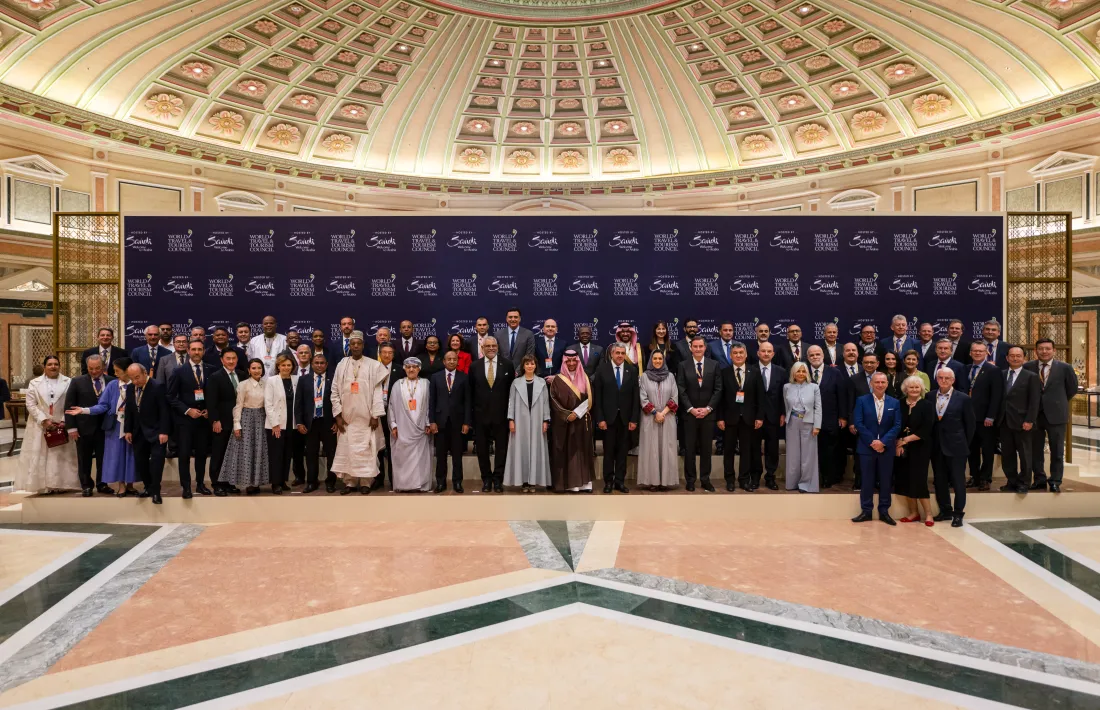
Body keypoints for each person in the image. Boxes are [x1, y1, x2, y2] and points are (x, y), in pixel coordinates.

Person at [331, 331, 389, 494]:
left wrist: (375, 415)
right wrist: (338, 416)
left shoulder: (374, 365)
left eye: (358, 343)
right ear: (349, 346)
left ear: (363, 345)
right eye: (353, 344)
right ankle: (350, 483)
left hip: (367, 419)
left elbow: (377, 392)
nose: (356, 346)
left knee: (366, 451)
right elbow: (334, 391)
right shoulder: (342, 364)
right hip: (347, 419)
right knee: (348, 450)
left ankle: (366, 482)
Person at [75, 358, 137, 497]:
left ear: (127, 371)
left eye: (117, 371)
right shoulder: (113, 385)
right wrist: (85, 410)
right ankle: (121, 486)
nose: (115, 374)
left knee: (131, 455)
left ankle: (131, 485)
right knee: (118, 455)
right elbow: (103, 405)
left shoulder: (136, 384)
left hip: (133, 426)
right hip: (115, 426)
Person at [18, 355, 79, 494]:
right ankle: (43, 486)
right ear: (44, 367)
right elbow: (30, 404)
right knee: (40, 454)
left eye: (56, 364)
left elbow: (72, 402)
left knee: (60, 455)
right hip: (40, 424)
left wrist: (64, 420)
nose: (53, 367)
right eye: (50, 364)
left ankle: (61, 484)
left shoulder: (69, 381)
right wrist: (44, 420)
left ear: (59, 366)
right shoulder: (34, 383)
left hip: (61, 424)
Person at [1026, 338, 1078, 493]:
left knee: (1057, 450)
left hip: (1056, 415)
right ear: (1035, 351)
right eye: (1041, 349)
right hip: (1034, 415)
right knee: (1035, 450)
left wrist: (1057, 402)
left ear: (1054, 350)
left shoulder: (1065, 368)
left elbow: (1072, 389)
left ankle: (1055, 480)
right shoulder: (1028, 367)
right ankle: (1039, 480)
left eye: (1048, 348)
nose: (1044, 351)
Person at [927, 369, 976, 527]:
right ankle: (945, 510)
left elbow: (970, 424)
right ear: (936, 379)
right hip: (936, 446)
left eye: (947, 378)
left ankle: (958, 513)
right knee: (940, 480)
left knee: (958, 481)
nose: (944, 380)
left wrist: (963, 443)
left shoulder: (963, 398)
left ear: (953, 380)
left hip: (957, 446)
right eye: (940, 377)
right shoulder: (929, 396)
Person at [851, 372, 901, 525]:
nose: (880, 385)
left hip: (886, 448)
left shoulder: (894, 402)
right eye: (877, 382)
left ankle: (884, 511)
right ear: (871, 384)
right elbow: (859, 423)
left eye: (883, 382)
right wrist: (873, 442)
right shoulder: (861, 400)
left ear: (887, 384)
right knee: (867, 480)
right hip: (867, 447)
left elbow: (897, 425)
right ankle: (866, 511)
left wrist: (883, 442)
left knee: (886, 480)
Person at [167, 339, 214, 498]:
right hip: (185, 421)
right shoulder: (179, 371)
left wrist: (209, 410)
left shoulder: (211, 370)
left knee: (201, 454)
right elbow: (171, 397)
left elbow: (214, 395)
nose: (196, 352)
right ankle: (186, 487)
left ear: (204, 351)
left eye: (199, 349)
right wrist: (187, 410)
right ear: (188, 351)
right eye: (193, 349)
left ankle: (200, 484)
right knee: (184, 454)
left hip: (203, 420)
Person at [677, 335, 722, 492]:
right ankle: (690, 480)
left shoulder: (714, 365)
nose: (697, 349)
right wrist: (691, 409)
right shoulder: (683, 365)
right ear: (690, 348)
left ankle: (705, 479)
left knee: (706, 449)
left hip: (708, 415)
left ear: (705, 347)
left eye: (700, 346)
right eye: (695, 346)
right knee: (689, 449)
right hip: (690, 415)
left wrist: (708, 408)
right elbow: (681, 389)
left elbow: (718, 389)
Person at [470, 336, 514, 492]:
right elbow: (470, 392)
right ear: (482, 348)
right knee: (482, 450)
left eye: (493, 345)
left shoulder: (507, 365)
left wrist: (511, 415)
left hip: (501, 416)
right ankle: (486, 480)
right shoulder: (474, 366)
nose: (491, 348)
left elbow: (511, 392)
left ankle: (498, 480)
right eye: (487, 346)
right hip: (480, 416)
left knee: (501, 449)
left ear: (497, 347)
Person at [594, 343, 640, 494]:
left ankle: (620, 481)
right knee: (608, 452)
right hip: (608, 420)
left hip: (625, 419)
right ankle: (608, 481)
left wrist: (634, 419)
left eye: (622, 353)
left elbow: (635, 397)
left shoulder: (632, 370)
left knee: (622, 452)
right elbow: (598, 397)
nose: (620, 356)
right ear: (611, 354)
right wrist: (600, 418)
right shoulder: (602, 369)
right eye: (617, 353)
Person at [718, 342, 763, 492]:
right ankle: (730, 480)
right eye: (735, 353)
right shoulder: (723, 372)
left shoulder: (755, 371)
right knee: (728, 451)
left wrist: (759, 417)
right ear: (730, 356)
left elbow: (760, 396)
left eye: (741, 353)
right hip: (729, 419)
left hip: (748, 418)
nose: (738, 355)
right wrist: (720, 418)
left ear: (746, 354)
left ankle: (744, 480)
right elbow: (720, 398)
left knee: (746, 451)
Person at [64, 354, 111, 496]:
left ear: (103, 367)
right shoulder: (77, 381)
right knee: (84, 458)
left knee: (104, 458)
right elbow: (69, 405)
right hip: (83, 427)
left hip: (105, 428)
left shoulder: (112, 381)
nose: (94, 371)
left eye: (97, 368)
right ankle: (86, 485)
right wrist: (71, 427)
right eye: (91, 368)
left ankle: (102, 484)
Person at [549, 349, 595, 493]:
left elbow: (590, 399)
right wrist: (567, 414)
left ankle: (585, 483)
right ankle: (571, 483)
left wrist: (577, 413)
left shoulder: (585, 378)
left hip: (582, 420)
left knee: (583, 451)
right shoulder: (557, 380)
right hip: (565, 423)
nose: (571, 363)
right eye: (568, 361)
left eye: (574, 360)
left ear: (578, 361)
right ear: (564, 362)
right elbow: (553, 400)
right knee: (568, 452)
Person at [123, 362, 170, 504]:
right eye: (132, 378)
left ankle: (156, 491)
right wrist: (127, 430)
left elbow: (164, 410)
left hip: (156, 431)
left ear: (145, 373)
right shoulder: (130, 387)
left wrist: (164, 431)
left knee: (156, 463)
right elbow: (129, 410)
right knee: (141, 462)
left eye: (137, 377)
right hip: (138, 432)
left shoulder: (157, 386)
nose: (135, 381)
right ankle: (148, 487)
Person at [221, 358, 269, 494]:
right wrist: (237, 424)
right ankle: (247, 483)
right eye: (253, 368)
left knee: (259, 451)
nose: (256, 370)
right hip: (246, 419)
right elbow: (238, 405)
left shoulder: (267, 384)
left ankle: (256, 483)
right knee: (246, 451)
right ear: (249, 370)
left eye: (259, 368)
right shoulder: (243, 385)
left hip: (262, 418)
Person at [505, 354, 551, 492]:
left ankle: (533, 482)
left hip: (538, 420)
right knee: (521, 449)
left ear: (536, 365)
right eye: (527, 364)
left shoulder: (542, 383)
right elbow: (511, 402)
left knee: (536, 449)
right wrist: (511, 420)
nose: (530, 366)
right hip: (520, 421)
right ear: (523, 366)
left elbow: (546, 403)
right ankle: (523, 481)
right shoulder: (516, 383)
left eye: (532, 363)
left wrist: (545, 420)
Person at [894, 376, 935, 526]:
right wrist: (898, 444)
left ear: (921, 389)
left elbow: (926, 428)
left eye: (917, 387)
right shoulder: (899, 404)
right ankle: (913, 513)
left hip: (920, 447)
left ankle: (929, 514)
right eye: (911, 387)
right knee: (906, 479)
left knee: (919, 480)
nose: (914, 389)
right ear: (906, 389)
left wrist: (905, 440)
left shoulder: (927, 405)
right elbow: (895, 425)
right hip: (902, 448)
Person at [1000, 346, 1041, 495]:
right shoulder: (1001, 374)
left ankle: (1024, 482)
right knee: (1007, 454)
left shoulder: (1031, 376)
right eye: (1012, 356)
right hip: (1004, 421)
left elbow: (1035, 401)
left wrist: (1030, 420)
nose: (1015, 358)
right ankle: (1011, 481)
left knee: (1024, 454)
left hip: (1023, 422)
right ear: (1007, 358)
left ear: (1024, 358)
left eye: (1018, 356)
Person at [295, 353, 337, 493]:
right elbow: (298, 403)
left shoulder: (333, 379)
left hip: (328, 422)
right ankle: (312, 482)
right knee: (311, 453)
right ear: (311, 364)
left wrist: (337, 421)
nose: (319, 365)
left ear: (326, 365)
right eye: (316, 363)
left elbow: (339, 401)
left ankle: (331, 482)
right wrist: (299, 422)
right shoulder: (303, 380)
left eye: (322, 363)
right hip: (310, 423)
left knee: (331, 453)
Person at [388, 358, 432, 492]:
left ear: (419, 368)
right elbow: (391, 406)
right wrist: (393, 425)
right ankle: (403, 485)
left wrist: (428, 423)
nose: (411, 369)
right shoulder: (398, 385)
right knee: (403, 457)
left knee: (421, 458)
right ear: (404, 368)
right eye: (408, 367)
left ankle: (420, 485)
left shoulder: (426, 384)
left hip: (421, 428)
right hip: (402, 429)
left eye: (414, 367)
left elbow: (430, 405)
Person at [965, 342, 1004, 492]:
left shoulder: (993, 370)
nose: (977, 353)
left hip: (986, 418)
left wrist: (991, 416)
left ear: (986, 353)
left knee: (987, 450)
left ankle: (985, 478)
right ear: (970, 353)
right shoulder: (966, 368)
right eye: (974, 351)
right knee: (971, 449)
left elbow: (996, 395)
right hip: (969, 418)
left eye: (980, 351)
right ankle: (974, 476)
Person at [430, 350, 471, 493]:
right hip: (440, 422)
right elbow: (432, 401)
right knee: (441, 456)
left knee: (457, 455)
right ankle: (441, 483)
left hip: (458, 422)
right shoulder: (435, 377)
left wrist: (467, 422)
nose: (452, 361)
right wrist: (432, 421)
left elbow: (467, 401)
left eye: (454, 359)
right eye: (449, 359)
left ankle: (457, 482)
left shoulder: (464, 377)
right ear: (444, 361)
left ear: (458, 361)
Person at [637, 350, 679, 490]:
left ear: (664, 360)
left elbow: (674, 397)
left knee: (667, 449)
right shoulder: (644, 376)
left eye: (660, 358)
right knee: (651, 450)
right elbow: (643, 398)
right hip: (650, 418)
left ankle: (666, 481)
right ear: (651, 360)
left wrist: (663, 413)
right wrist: (655, 413)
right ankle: (653, 481)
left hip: (667, 418)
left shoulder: (671, 376)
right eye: (655, 358)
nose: (657, 361)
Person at [806, 345, 845, 489]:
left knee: (829, 450)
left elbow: (841, 395)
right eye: (812, 355)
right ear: (807, 357)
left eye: (818, 354)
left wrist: (843, 417)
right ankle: (811, 478)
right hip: (808, 419)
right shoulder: (803, 371)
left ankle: (827, 477)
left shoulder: (835, 372)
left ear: (823, 356)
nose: (815, 357)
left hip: (830, 418)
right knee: (811, 451)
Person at [205, 348, 240, 496]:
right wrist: (215, 420)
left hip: (237, 422)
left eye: (233, 358)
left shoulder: (242, 375)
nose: (231, 361)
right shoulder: (215, 377)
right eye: (228, 358)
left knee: (232, 454)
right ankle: (217, 484)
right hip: (221, 422)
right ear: (222, 360)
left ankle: (229, 483)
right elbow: (211, 401)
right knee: (219, 454)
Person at [783, 362, 821, 493]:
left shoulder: (814, 387)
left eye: (803, 371)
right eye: (798, 371)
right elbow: (786, 406)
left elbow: (818, 408)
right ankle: (792, 483)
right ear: (793, 373)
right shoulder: (787, 387)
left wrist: (817, 426)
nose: (800, 374)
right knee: (793, 455)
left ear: (807, 373)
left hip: (809, 422)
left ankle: (806, 484)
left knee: (808, 456)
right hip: (792, 422)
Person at [264, 353, 298, 494]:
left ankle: (283, 480)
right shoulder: (272, 381)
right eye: (283, 365)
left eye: (289, 365)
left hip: (291, 423)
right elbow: (268, 404)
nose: (286, 367)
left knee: (287, 453)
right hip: (276, 424)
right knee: (276, 454)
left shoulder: (296, 379)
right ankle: (275, 483)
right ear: (278, 366)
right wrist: (275, 424)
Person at [373, 342, 403, 489]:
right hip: (377, 413)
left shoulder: (400, 370)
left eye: (390, 352)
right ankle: (378, 479)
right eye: (384, 352)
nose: (387, 355)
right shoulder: (373, 369)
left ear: (393, 354)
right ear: (379, 353)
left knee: (393, 447)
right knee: (377, 447)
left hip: (394, 414)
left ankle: (393, 479)